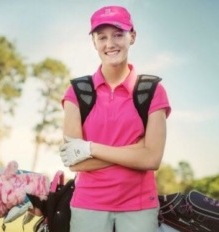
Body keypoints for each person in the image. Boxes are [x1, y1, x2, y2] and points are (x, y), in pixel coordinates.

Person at [59, 5, 171, 232]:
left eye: (118, 35)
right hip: (88, 206)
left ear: (132, 36)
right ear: (94, 42)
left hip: (139, 208)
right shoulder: (77, 91)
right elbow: (74, 160)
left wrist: (89, 147)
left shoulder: (152, 90)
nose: (110, 44)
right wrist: (136, 151)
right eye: (102, 37)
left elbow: (152, 159)